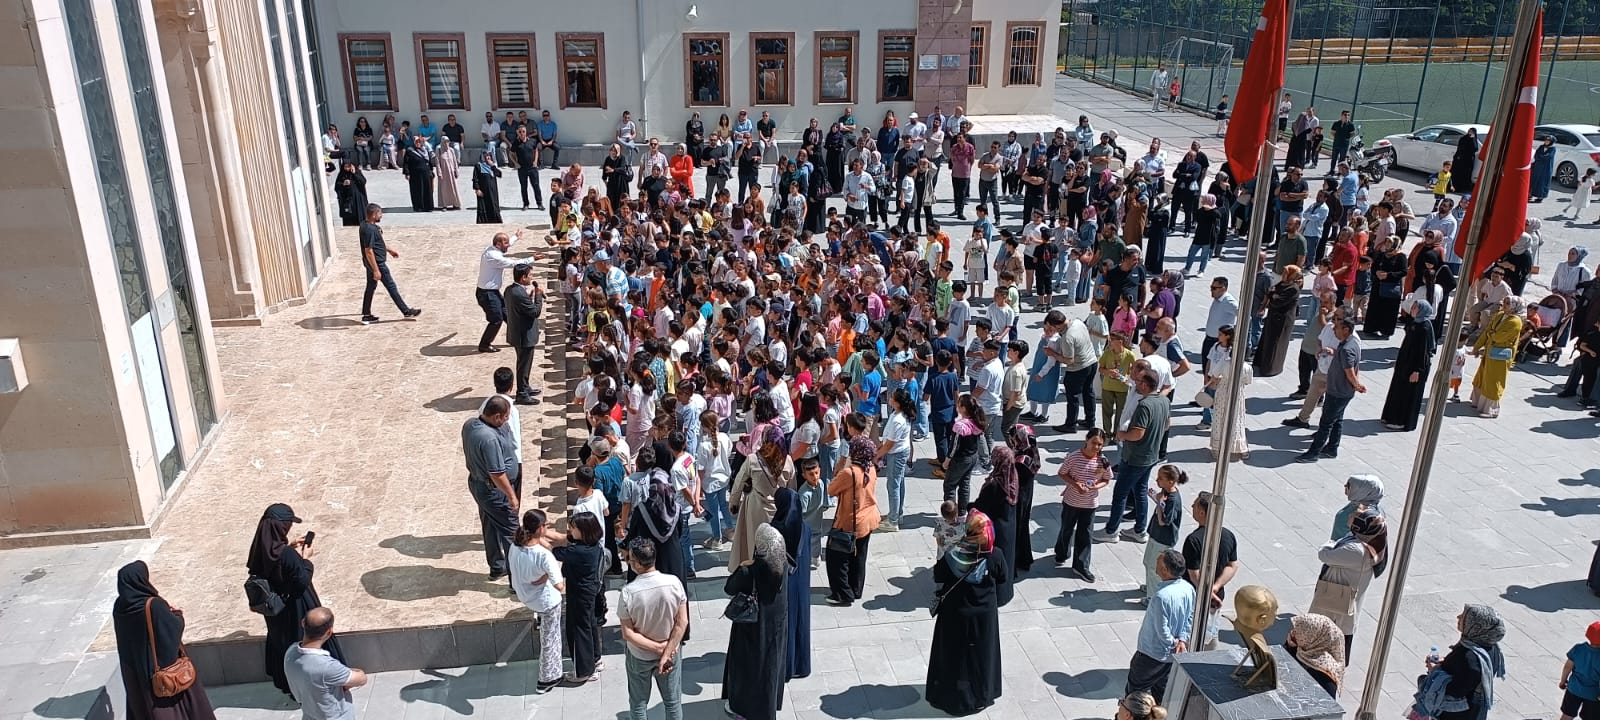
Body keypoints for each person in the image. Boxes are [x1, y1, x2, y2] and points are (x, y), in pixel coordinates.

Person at [247, 503, 344, 696]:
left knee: (282, 642)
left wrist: (289, 547)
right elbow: (301, 581)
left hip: (276, 610)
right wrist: (306, 559)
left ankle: (289, 684)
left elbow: (271, 565)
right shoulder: (287, 555)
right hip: (297, 606)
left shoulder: (261, 549)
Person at [112, 560, 218, 720]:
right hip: (163, 672)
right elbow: (173, 630)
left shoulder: (120, 606)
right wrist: (176, 614)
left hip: (136, 672)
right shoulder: (153, 605)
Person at [925, 509, 1007, 716]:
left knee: (954, 656)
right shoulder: (994, 555)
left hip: (955, 614)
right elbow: (1003, 578)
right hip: (983, 616)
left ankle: (951, 696)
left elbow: (938, 576)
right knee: (980, 655)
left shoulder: (953, 555)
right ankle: (981, 693)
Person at [722, 524, 790, 720]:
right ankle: (769, 703)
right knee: (769, 668)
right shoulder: (784, 564)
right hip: (775, 626)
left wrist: (742, 566)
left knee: (747, 669)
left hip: (751, 628)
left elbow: (729, 588)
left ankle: (743, 708)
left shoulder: (750, 570)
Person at [618, 538, 689, 720]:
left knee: (638, 703)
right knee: (673, 703)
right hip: (670, 653)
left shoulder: (628, 592)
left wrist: (657, 649)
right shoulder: (674, 583)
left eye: (630, 560)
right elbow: (682, 623)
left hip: (639, 655)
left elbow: (628, 633)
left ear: (637, 564)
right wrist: (665, 651)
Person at [1098, 369, 1170, 544]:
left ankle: (1111, 531)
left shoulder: (1145, 405)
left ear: (1145, 384)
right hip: (1151, 456)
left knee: (1120, 493)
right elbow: (1167, 424)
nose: (1135, 384)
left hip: (1135, 457)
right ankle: (1139, 530)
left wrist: (1121, 435)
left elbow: (1137, 433)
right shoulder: (1164, 400)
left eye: (1138, 381)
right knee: (1140, 491)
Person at [1314, 507, 1387, 659]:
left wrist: (1331, 542)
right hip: (1344, 598)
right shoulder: (1369, 542)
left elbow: (1324, 555)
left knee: (1326, 637)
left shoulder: (1355, 549)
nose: (1351, 516)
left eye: (1355, 516)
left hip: (1336, 600)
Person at [1412, 604, 1506, 720]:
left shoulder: (1471, 658)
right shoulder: (1487, 646)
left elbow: (1456, 690)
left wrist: (1435, 670)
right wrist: (1445, 663)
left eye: (1463, 617)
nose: (1458, 617)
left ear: (1474, 626)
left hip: (1457, 714)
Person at [1127, 548, 1194, 702]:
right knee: (1161, 694)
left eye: (1158, 560)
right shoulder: (1188, 588)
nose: (1155, 563)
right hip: (1170, 656)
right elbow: (1190, 616)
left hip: (1152, 654)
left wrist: (1173, 642)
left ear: (1164, 569)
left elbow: (1162, 630)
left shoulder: (1161, 597)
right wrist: (1182, 640)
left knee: (1135, 694)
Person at [509, 509, 566, 693]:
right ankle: (547, 679)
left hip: (525, 594)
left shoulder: (515, 546)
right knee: (551, 638)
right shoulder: (544, 556)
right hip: (545, 601)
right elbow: (559, 586)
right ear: (541, 529)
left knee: (548, 634)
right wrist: (547, 575)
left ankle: (551, 672)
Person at [463, 396, 519, 580]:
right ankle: (516, 579)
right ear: (496, 417)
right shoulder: (488, 439)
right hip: (494, 490)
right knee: (512, 532)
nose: (506, 421)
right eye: (505, 417)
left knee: (489, 523)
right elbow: (497, 473)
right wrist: (511, 495)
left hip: (479, 485)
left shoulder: (471, 424)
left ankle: (497, 566)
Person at [1296, 319, 1365, 463]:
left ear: (1346, 329)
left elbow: (1350, 371)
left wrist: (1357, 385)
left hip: (1338, 392)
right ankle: (1332, 448)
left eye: (1337, 328)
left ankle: (1313, 453)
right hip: (1340, 390)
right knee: (1337, 420)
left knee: (1326, 423)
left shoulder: (1347, 349)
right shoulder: (1351, 342)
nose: (1333, 331)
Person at [825, 430, 881, 606]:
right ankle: (856, 589)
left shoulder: (850, 473)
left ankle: (842, 594)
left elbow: (831, 490)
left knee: (836, 558)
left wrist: (842, 469)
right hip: (868, 519)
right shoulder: (870, 468)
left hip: (850, 521)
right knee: (859, 556)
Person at [552, 512, 606, 684]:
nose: (570, 530)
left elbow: (555, 552)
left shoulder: (579, 551)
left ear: (583, 531)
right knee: (589, 625)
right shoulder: (593, 545)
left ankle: (583, 671)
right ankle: (595, 660)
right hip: (590, 592)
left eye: (573, 528)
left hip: (580, 594)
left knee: (578, 630)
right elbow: (565, 538)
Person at [728, 425, 793, 569]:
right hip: (780, 510)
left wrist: (733, 503)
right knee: (777, 544)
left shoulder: (753, 459)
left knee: (754, 543)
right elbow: (792, 490)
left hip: (756, 507)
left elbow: (738, 483)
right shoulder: (788, 461)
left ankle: (754, 572)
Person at [1182, 491, 1238, 648]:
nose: (1191, 507)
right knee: (1210, 631)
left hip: (1196, 597)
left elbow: (1194, 574)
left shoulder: (1193, 540)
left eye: (1194, 505)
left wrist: (1209, 592)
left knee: (1190, 635)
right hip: (1216, 598)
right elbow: (1232, 565)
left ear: (1201, 512)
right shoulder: (1228, 535)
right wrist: (1216, 587)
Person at [1056, 428, 1113, 581]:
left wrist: (1095, 487)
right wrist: (1075, 484)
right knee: (1066, 529)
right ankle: (1061, 552)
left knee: (1085, 534)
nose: (1096, 447)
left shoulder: (1103, 461)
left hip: (1090, 504)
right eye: (1094, 442)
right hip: (1071, 501)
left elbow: (1106, 479)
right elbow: (1062, 473)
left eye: (1100, 444)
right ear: (1086, 440)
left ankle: (1081, 565)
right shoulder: (1073, 457)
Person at [771, 486, 812, 679]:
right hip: (802, 582)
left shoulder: (775, 531)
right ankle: (801, 665)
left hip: (783, 585)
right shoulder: (805, 528)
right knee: (800, 622)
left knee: (785, 624)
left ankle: (785, 667)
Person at [357, 205, 421, 324]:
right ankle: (406, 311)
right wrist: (376, 270)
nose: (381, 216)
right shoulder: (370, 230)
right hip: (377, 263)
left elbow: (377, 244)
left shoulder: (365, 225)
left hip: (371, 263)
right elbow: (369, 251)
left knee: (370, 287)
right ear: (374, 215)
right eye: (380, 213)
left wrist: (389, 250)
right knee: (391, 286)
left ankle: (366, 314)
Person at [972, 445, 1020, 605]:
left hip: (995, 528)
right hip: (1009, 525)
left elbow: (982, 505)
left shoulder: (995, 483)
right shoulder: (1011, 476)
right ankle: (1006, 592)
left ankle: (997, 595)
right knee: (1007, 558)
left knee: (995, 561)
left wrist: (967, 507)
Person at [1381, 300, 1436, 431]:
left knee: (1406, 394)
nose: (1413, 309)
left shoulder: (1424, 327)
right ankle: (1390, 416)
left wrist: (1418, 370)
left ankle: (1401, 421)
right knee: (1397, 389)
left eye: (1416, 307)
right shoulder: (1414, 323)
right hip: (1405, 364)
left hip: (1415, 367)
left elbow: (1424, 352)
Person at [1470, 295, 1525, 419]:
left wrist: (1491, 333)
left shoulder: (1515, 322)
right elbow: (1487, 331)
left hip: (1500, 355)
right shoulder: (1500, 315)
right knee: (1483, 376)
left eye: (1507, 303)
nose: (1503, 305)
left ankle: (1491, 410)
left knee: (1494, 380)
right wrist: (1476, 347)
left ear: (1514, 307)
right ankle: (1478, 402)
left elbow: (1498, 337)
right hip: (1490, 351)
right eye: (1504, 302)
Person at [1205, 326, 1250, 461]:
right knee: (1237, 420)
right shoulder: (1247, 367)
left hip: (1223, 391)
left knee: (1219, 419)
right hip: (1238, 393)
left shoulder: (1225, 364)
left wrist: (1215, 380)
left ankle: (1217, 447)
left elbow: (1213, 374)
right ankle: (1241, 447)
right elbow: (1248, 381)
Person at [503, 263, 545, 404]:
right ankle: (521, 393)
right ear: (523, 278)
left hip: (518, 333)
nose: (531, 277)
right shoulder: (519, 294)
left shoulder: (510, 290)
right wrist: (538, 297)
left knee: (525, 363)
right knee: (523, 364)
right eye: (530, 275)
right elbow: (535, 312)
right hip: (523, 335)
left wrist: (530, 298)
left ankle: (525, 386)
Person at [1253, 266, 1301, 377]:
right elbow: (1271, 292)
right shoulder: (1282, 284)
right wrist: (1273, 295)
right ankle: (1260, 363)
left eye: (1285, 273)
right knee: (1266, 340)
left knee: (1275, 344)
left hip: (1282, 321)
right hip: (1273, 317)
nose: (1283, 274)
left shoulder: (1293, 289)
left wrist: (1274, 296)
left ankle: (1270, 368)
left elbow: (1278, 302)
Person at [1285, 613, 1345, 698]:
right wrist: (1291, 646)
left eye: (1299, 631)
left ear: (1314, 637)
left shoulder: (1325, 676)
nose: (1293, 633)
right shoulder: (1306, 648)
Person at [1558, 622, 1600, 720]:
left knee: (1567, 715)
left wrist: (1563, 681)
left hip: (1573, 689)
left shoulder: (1578, 649)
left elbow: (1568, 667)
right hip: (1593, 695)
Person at [1332, 474, 1385, 540]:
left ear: (1362, 492)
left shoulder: (1357, 515)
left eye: (1349, 485)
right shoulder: (1376, 509)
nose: (1345, 485)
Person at [402, 135, 435, 212]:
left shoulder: (425, 150)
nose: (418, 143)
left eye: (419, 142)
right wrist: (407, 173)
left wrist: (431, 171)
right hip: (415, 175)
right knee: (417, 191)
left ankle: (428, 207)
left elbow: (429, 162)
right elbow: (406, 163)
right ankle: (419, 207)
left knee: (427, 190)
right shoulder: (410, 150)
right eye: (416, 142)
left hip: (426, 174)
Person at [472, 152, 503, 224]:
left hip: (493, 191)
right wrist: (477, 189)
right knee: (484, 206)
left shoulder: (492, 166)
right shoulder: (478, 166)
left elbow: (499, 174)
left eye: (489, 156)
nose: (488, 158)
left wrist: (493, 166)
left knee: (493, 205)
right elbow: (475, 178)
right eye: (486, 156)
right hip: (483, 191)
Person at [333, 162, 367, 227]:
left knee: (360, 219)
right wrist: (343, 184)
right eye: (345, 167)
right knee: (349, 220)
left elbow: (363, 182)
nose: (347, 168)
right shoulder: (341, 174)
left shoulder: (357, 172)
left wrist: (355, 173)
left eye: (348, 166)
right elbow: (337, 187)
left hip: (358, 201)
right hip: (347, 201)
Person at [435, 136, 462, 210]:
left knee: (454, 188)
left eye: (447, 142)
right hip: (444, 173)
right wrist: (439, 173)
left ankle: (455, 203)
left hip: (451, 173)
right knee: (444, 189)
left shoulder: (451, 150)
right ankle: (444, 205)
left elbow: (455, 161)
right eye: (445, 142)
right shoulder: (439, 150)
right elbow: (437, 162)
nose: (446, 143)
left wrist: (456, 171)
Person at [1531, 135, 1557, 202]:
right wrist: (1541, 157)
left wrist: (1541, 157)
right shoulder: (1541, 147)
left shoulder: (1552, 149)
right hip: (1538, 166)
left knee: (1543, 182)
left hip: (1546, 168)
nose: (1546, 141)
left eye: (1548, 140)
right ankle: (1531, 194)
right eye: (1546, 140)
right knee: (1535, 180)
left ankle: (1540, 197)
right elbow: (1537, 155)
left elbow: (1548, 157)